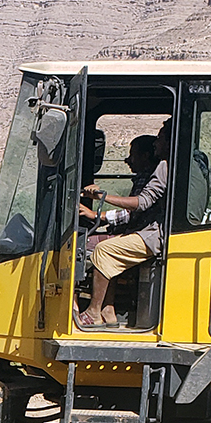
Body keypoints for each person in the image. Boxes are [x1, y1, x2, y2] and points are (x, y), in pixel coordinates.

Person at [78, 125, 169, 328]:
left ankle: (93, 312)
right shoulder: (164, 168)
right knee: (109, 247)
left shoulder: (163, 167)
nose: (156, 143)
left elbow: (140, 204)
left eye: (161, 139)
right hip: (151, 231)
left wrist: (101, 201)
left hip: (154, 235)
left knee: (102, 249)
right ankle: (107, 310)